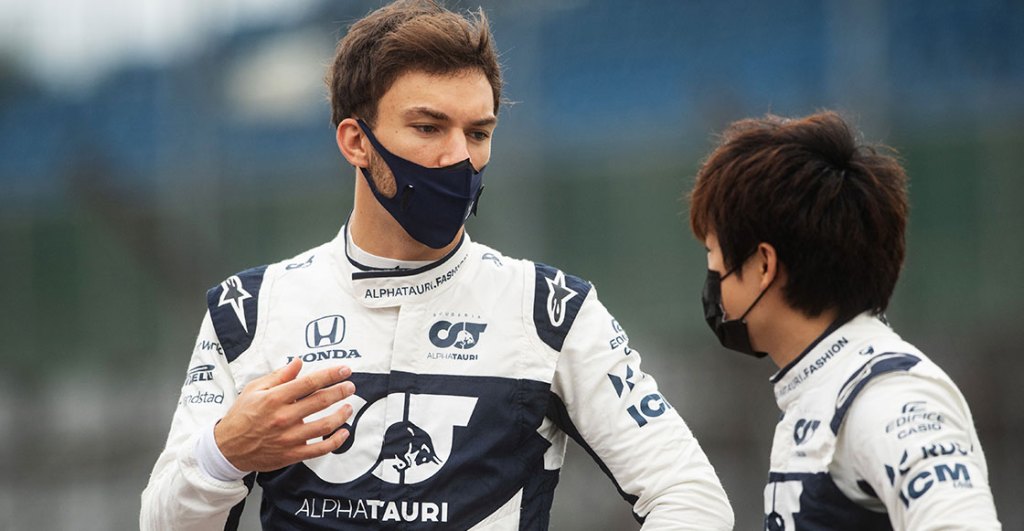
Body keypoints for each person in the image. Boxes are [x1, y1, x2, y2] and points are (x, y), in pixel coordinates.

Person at [141, 1, 733, 529]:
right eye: (428, 127)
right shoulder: (249, 312)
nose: (458, 157)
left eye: (478, 132)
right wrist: (225, 452)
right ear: (355, 141)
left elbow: (691, 498)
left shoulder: (550, 311)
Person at [687, 110, 1001, 530]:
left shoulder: (888, 396)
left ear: (764, 264)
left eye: (712, 255)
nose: (711, 281)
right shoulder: (823, 386)